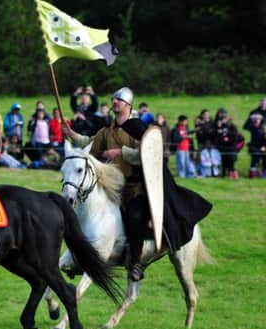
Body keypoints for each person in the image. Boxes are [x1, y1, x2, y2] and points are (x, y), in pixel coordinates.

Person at [63, 86, 212, 282]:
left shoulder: (139, 129)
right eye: (114, 99)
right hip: (112, 187)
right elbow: (89, 142)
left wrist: (120, 152)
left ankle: (135, 264)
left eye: (119, 100)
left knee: (134, 218)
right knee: (88, 211)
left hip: (135, 189)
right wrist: (70, 133)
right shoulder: (106, 132)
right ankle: (83, 259)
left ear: (128, 106)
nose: (115, 102)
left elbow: (148, 153)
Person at [214, 108, 239, 178]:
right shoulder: (221, 126)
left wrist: (227, 137)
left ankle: (235, 176)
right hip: (223, 147)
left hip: (231, 147)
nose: (223, 121)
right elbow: (218, 135)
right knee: (224, 162)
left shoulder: (232, 126)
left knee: (231, 163)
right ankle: (224, 175)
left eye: (225, 119)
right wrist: (219, 128)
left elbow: (235, 136)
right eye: (222, 119)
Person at [244, 113, 266, 177]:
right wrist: (250, 118)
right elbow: (245, 126)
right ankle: (253, 172)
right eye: (255, 119)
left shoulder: (264, 128)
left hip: (263, 146)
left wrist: (264, 147)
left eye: (258, 119)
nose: (256, 120)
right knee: (255, 156)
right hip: (254, 146)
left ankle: (264, 172)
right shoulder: (252, 127)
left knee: (265, 156)